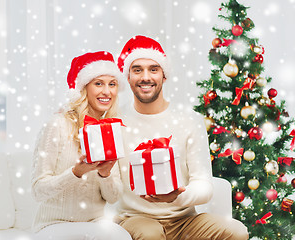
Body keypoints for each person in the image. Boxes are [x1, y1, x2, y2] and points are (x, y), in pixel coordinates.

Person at [116, 35, 249, 240]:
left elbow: (204, 184)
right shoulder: (116, 121)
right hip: (136, 218)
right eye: (137, 70)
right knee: (150, 234)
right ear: (128, 76)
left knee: (237, 232)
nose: (145, 77)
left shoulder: (188, 120)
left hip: (184, 220)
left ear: (164, 76)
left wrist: (178, 196)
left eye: (153, 69)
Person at [31, 51, 132, 240]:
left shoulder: (109, 129)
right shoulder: (57, 124)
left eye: (112, 84)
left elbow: (113, 197)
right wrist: (75, 173)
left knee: (121, 237)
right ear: (83, 88)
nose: (107, 91)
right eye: (98, 83)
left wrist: (105, 174)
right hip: (53, 224)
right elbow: (38, 190)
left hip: (94, 223)